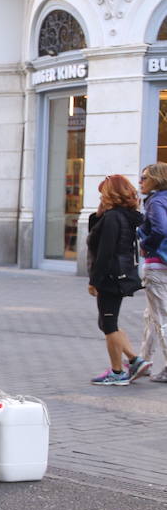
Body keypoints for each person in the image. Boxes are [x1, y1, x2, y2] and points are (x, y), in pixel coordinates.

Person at [87, 174, 147, 385]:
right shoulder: (120, 215)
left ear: (110, 193)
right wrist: (98, 214)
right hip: (119, 275)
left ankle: (118, 372)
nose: (101, 197)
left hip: (111, 277)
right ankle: (134, 359)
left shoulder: (114, 218)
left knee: (109, 323)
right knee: (106, 322)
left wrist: (94, 280)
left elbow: (105, 252)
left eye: (103, 193)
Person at [138, 161, 167, 382]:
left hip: (157, 265)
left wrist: (146, 244)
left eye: (145, 177)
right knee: (151, 316)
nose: (140, 182)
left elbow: (160, 229)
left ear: (157, 179)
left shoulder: (156, 201)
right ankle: (143, 360)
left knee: (161, 317)